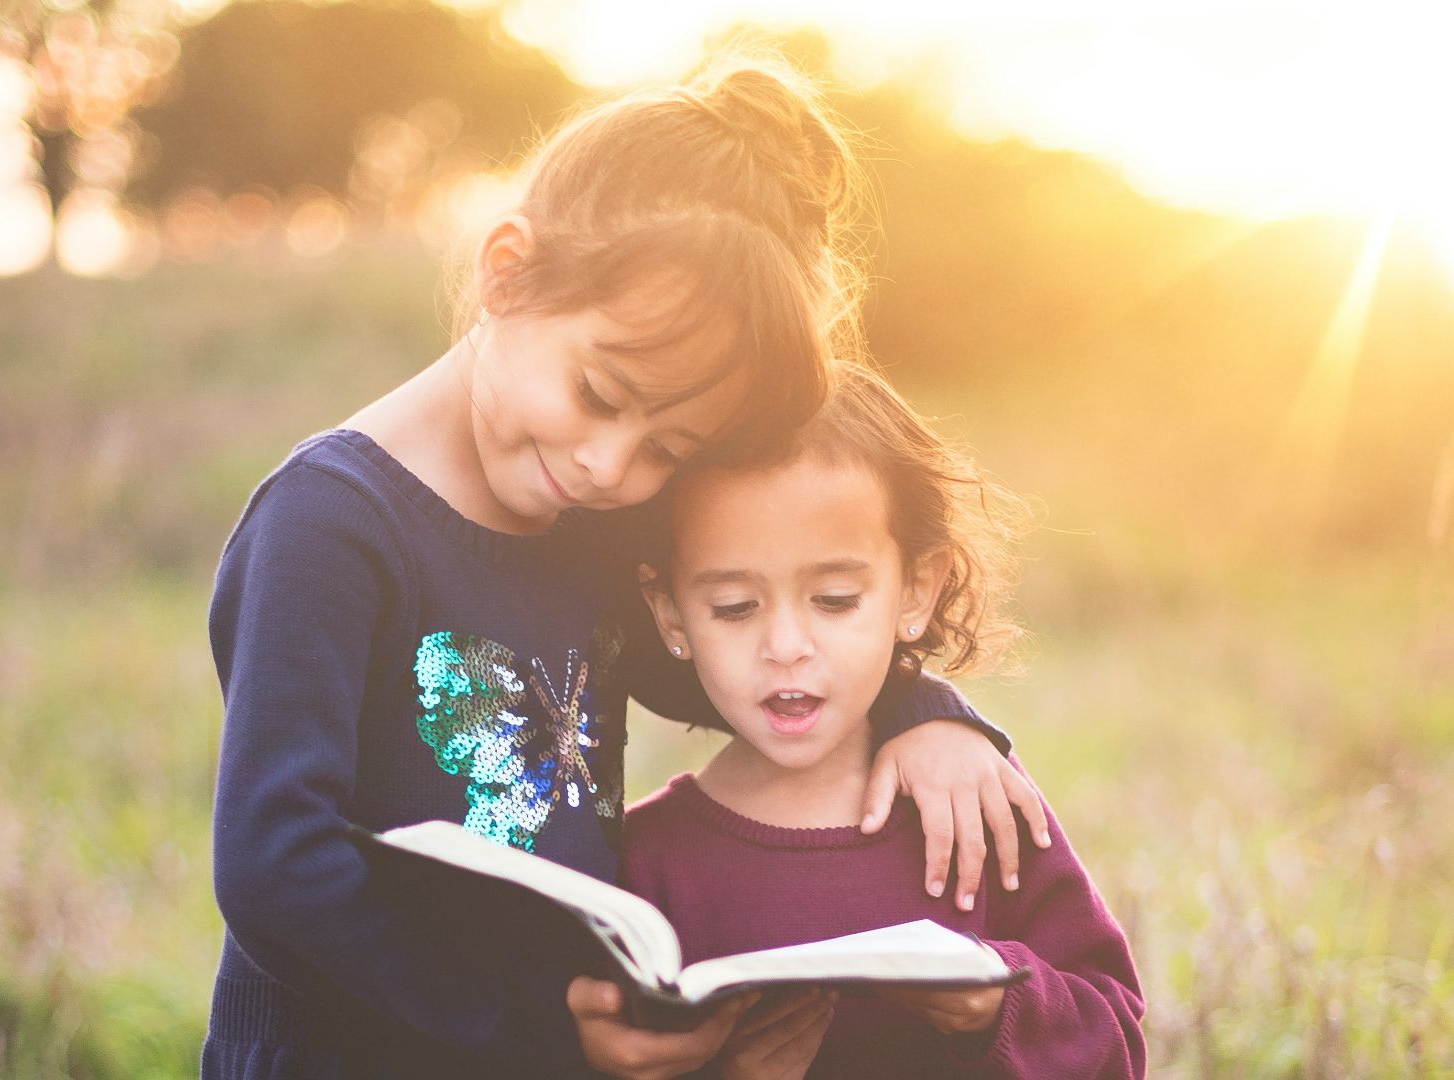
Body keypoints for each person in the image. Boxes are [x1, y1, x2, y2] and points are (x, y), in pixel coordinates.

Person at [203, 57, 1050, 1079]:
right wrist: (540, 1026)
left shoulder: (588, 521)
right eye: (602, 394)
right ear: (507, 271)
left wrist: (929, 716)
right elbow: (272, 868)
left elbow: (745, 671)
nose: (614, 466)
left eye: (669, 448)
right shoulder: (330, 526)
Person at [624, 363, 1146, 1079]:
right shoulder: (648, 862)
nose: (786, 647)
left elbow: (1116, 1038)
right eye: (735, 608)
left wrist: (995, 1006)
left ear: (916, 591)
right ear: (670, 613)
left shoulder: (971, 798)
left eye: (835, 599)